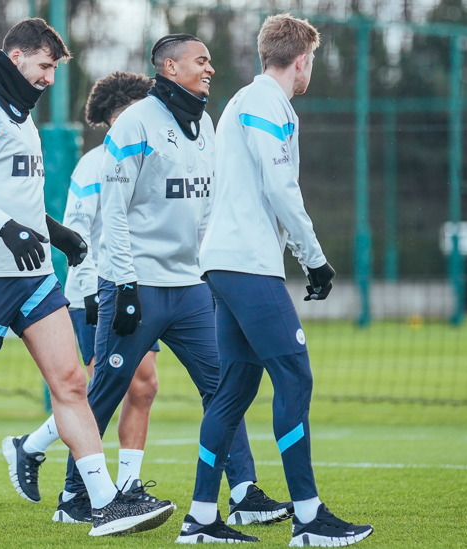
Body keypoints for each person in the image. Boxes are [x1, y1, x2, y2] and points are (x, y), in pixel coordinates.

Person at [0, 18, 175, 537]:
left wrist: (56, 233)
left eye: (53, 70)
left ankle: (104, 500)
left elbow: (17, 200)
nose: (48, 78)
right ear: (16, 56)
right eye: (44, 67)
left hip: (36, 275)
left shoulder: (22, 119)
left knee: (71, 382)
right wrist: (6, 230)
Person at [57, 34, 292, 532]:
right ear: (169, 66)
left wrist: (210, 272)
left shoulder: (205, 123)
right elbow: (114, 216)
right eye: (200, 60)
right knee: (106, 390)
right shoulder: (135, 123)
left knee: (222, 388)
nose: (210, 68)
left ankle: (245, 492)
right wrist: (120, 285)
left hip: (190, 290)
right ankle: (74, 495)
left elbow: (205, 210)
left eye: (210, 60)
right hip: (137, 286)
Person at [180, 14, 373, 545]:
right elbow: (281, 188)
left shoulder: (241, 101)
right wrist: (314, 258)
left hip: (224, 263)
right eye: (312, 61)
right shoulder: (270, 102)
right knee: (295, 377)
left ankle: (200, 519)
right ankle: (309, 519)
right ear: (302, 60)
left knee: (233, 392)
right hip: (246, 265)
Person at [0, 72, 164, 517]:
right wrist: (93, 292)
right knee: (100, 387)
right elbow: (76, 231)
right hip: (96, 294)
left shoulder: (148, 158)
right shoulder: (96, 164)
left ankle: (118, 481)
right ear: (119, 116)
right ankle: (74, 491)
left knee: (141, 386)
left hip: (136, 288)